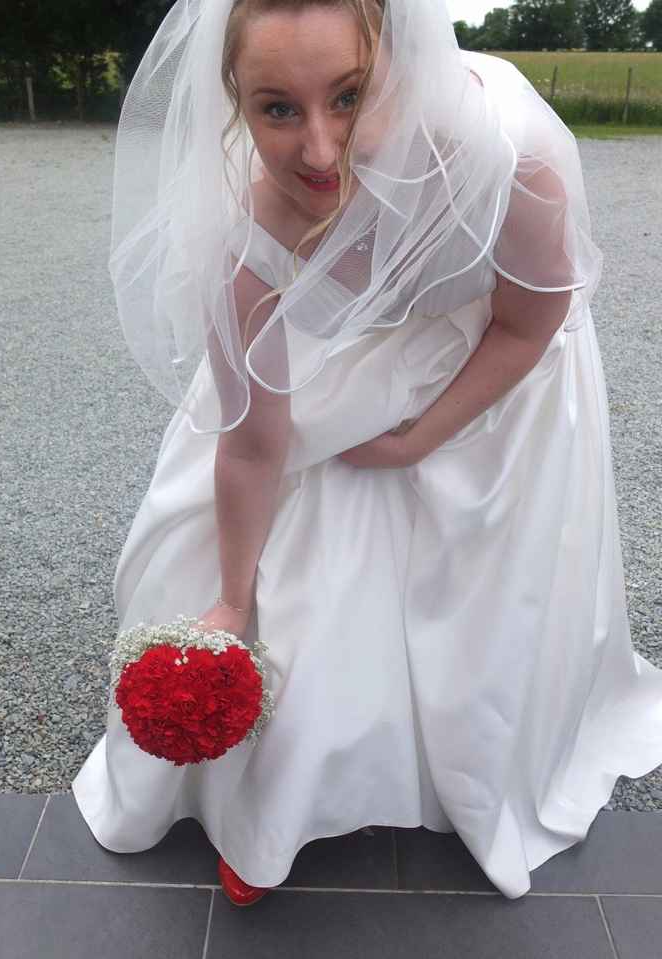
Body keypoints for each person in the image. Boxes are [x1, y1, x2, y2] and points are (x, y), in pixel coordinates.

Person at [71, 0, 662, 906]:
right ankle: (267, 810)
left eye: (350, 95)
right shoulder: (245, 236)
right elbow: (254, 443)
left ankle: (464, 762)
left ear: (399, 64)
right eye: (277, 109)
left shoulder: (515, 160)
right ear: (235, 101)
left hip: (500, 369)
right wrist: (231, 599)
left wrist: (425, 435)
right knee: (295, 566)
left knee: (478, 603)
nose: (317, 149)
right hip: (345, 368)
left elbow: (530, 320)